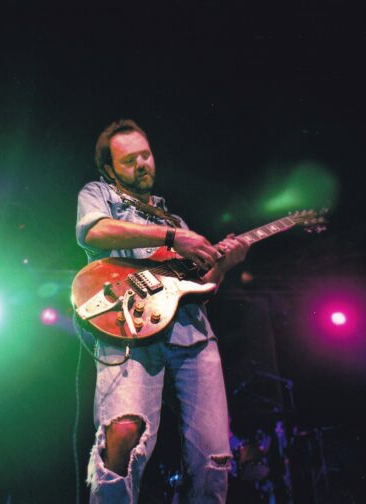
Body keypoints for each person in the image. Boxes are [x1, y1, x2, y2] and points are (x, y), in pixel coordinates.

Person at [75, 119, 251, 503]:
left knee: (215, 456)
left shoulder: (173, 218)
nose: (142, 164)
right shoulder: (98, 193)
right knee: (121, 439)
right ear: (109, 169)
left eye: (146, 155)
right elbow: (93, 232)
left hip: (192, 336)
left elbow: (201, 289)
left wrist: (223, 264)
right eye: (129, 160)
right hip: (127, 331)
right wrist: (173, 238)